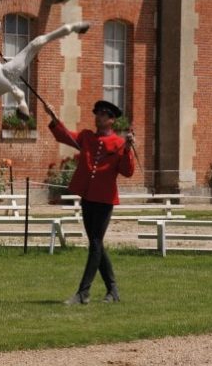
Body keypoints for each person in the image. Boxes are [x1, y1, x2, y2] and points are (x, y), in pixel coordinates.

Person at [45, 100, 135, 305]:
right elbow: (65, 135)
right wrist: (53, 117)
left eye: (103, 114)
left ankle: (83, 292)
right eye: (97, 113)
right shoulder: (86, 137)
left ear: (111, 119)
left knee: (95, 243)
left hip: (105, 200)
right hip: (87, 197)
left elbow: (127, 171)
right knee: (97, 244)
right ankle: (113, 290)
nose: (98, 117)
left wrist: (128, 149)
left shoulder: (119, 143)